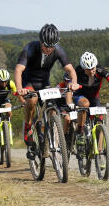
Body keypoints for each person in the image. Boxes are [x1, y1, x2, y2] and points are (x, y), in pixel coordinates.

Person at [13, 24, 78, 156]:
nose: (49, 49)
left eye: (52, 46)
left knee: (52, 107)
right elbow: (18, 70)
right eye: (46, 45)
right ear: (41, 41)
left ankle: (49, 132)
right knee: (32, 100)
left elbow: (70, 70)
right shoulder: (30, 48)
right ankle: (27, 127)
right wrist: (20, 88)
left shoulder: (58, 50)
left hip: (44, 83)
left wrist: (74, 83)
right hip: (29, 82)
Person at [70, 51, 109, 149]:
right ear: (83, 69)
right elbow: (69, 86)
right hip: (80, 95)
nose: (92, 71)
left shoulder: (100, 70)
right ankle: (80, 133)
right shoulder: (78, 71)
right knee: (85, 104)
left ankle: (99, 150)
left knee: (99, 121)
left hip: (94, 97)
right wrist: (69, 102)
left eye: (93, 68)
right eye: (88, 69)